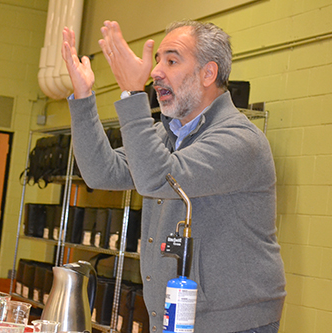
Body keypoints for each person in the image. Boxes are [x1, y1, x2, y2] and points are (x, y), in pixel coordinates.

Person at [61, 20, 286, 333]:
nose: (155, 72)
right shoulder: (167, 135)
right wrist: (83, 98)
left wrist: (131, 95)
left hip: (232, 325)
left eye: (172, 60)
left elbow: (160, 177)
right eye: (157, 61)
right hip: (173, 319)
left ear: (208, 73)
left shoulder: (239, 140)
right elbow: (102, 172)